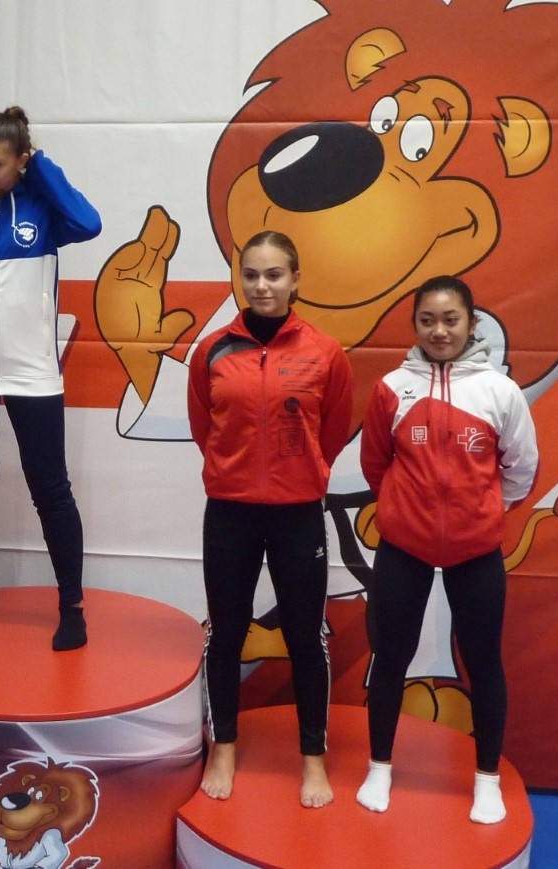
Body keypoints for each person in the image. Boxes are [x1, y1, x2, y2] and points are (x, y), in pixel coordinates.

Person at [357, 274, 538, 823]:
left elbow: (521, 467)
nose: (439, 331)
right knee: (390, 658)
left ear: (471, 323)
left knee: (483, 663)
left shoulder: (500, 392)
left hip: (474, 550)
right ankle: (379, 767)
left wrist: (482, 511)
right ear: (415, 325)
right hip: (403, 547)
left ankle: (487, 779)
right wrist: (403, 509)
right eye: (428, 320)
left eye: (451, 319)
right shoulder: (392, 388)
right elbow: (375, 464)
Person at [187, 230, 354, 807]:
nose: (262, 286)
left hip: (297, 514)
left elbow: (332, 431)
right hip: (229, 513)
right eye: (252, 275)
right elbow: (204, 428)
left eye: (274, 275)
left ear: (295, 279)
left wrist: (301, 475)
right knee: (225, 633)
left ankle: (313, 760)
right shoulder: (212, 351)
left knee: (306, 637)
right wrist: (235, 473)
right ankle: (224, 747)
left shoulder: (325, 352)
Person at [0, 107, 102, 651]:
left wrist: (41, 167)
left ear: (21, 162)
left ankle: (72, 607)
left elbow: (89, 223)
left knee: (51, 488)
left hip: (32, 368)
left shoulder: (43, 205)